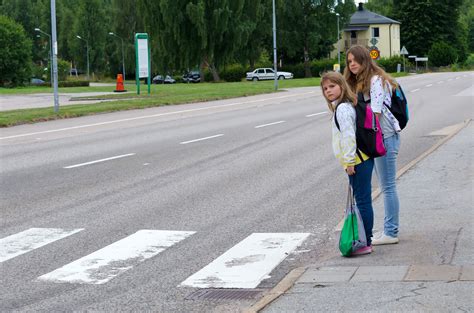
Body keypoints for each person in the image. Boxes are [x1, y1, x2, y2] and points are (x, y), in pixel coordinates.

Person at [344, 45, 401, 245]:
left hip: (385, 138)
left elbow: (374, 114)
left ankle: (391, 232)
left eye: (355, 60)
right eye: (349, 61)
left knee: (388, 186)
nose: (352, 65)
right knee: (386, 185)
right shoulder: (365, 81)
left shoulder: (376, 80)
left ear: (364, 60)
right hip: (379, 138)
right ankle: (389, 230)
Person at [321, 71, 374, 255]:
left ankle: (365, 242)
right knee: (362, 200)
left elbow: (349, 136)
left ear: (342, 86)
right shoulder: (343, 106)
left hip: (357, 161)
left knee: (363, 201)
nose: (328, 91)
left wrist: (350, 162)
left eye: (332, 86)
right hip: (360, 160)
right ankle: (365, 239)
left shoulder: (343, 109)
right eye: (325, 88)